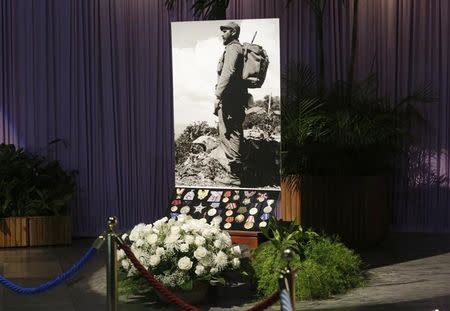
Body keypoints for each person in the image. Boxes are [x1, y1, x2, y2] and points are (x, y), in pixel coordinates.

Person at [214, 21, 248, 186]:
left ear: (233, 32)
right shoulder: (235, 48)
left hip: (230, 100)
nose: (222, 34)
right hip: (234, 98)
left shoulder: (233, 48)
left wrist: (217, 94)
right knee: (231, 133)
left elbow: (228, 72)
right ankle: (236, 175)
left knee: (230, 134)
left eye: (225, 31)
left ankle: (235, 177)